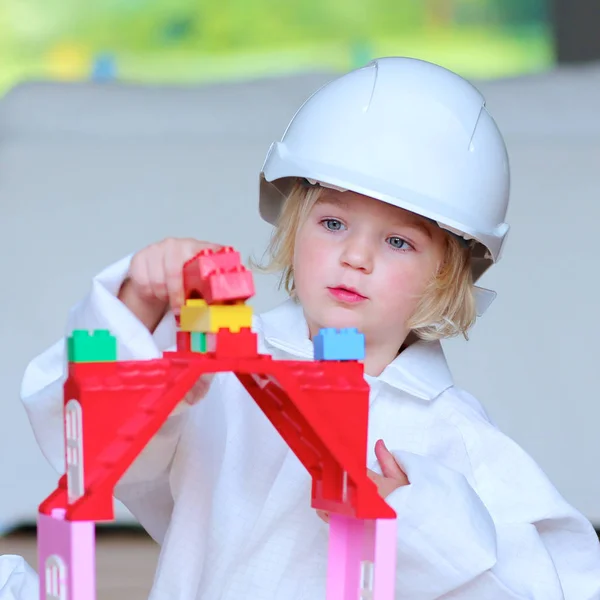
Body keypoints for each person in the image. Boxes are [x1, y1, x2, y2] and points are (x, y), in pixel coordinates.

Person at [20, 57, 600, 599]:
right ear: (293, 226)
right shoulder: (221, 374)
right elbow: (84, 443)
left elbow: (558, 583)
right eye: (333, 222)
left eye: (398, 241)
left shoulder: (458, 441)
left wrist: (425, 519)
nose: (356, 257)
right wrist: (139, 305)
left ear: (445, 273)